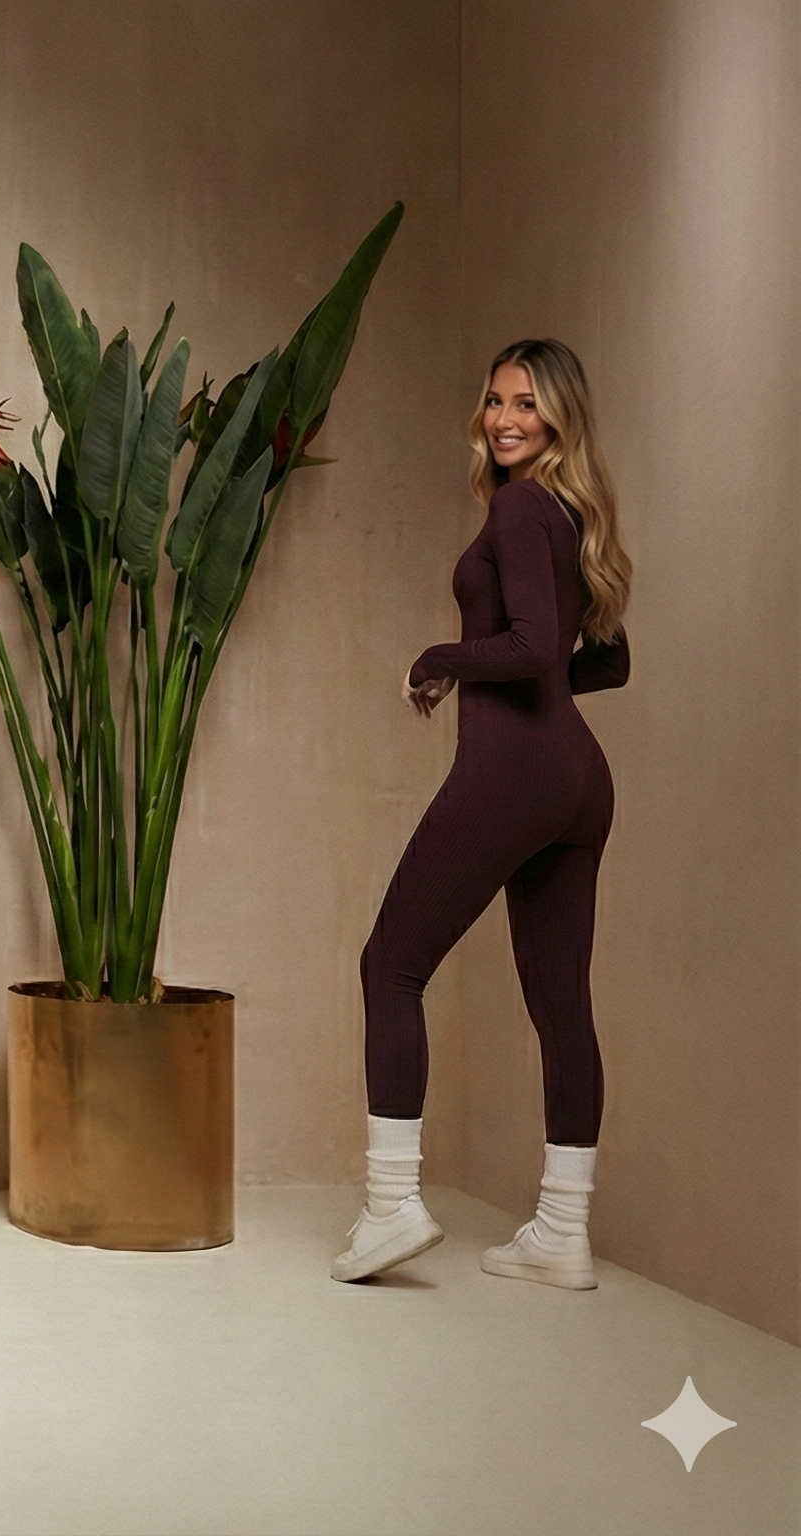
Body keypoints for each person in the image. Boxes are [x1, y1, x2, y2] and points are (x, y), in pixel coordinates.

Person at [332, 340, 633, 1287]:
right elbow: (603, 661)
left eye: (528, 406)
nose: (505, 419)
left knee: (392, 965)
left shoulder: (517, 508)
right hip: (578, 778)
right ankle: (561, 1233)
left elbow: (532, 644)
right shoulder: (574, 514)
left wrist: (439, 659)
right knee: (561, 1005)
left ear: (559, 420)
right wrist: (499, 670)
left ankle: (390, 1208)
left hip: (515, 770)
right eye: (496, 400)